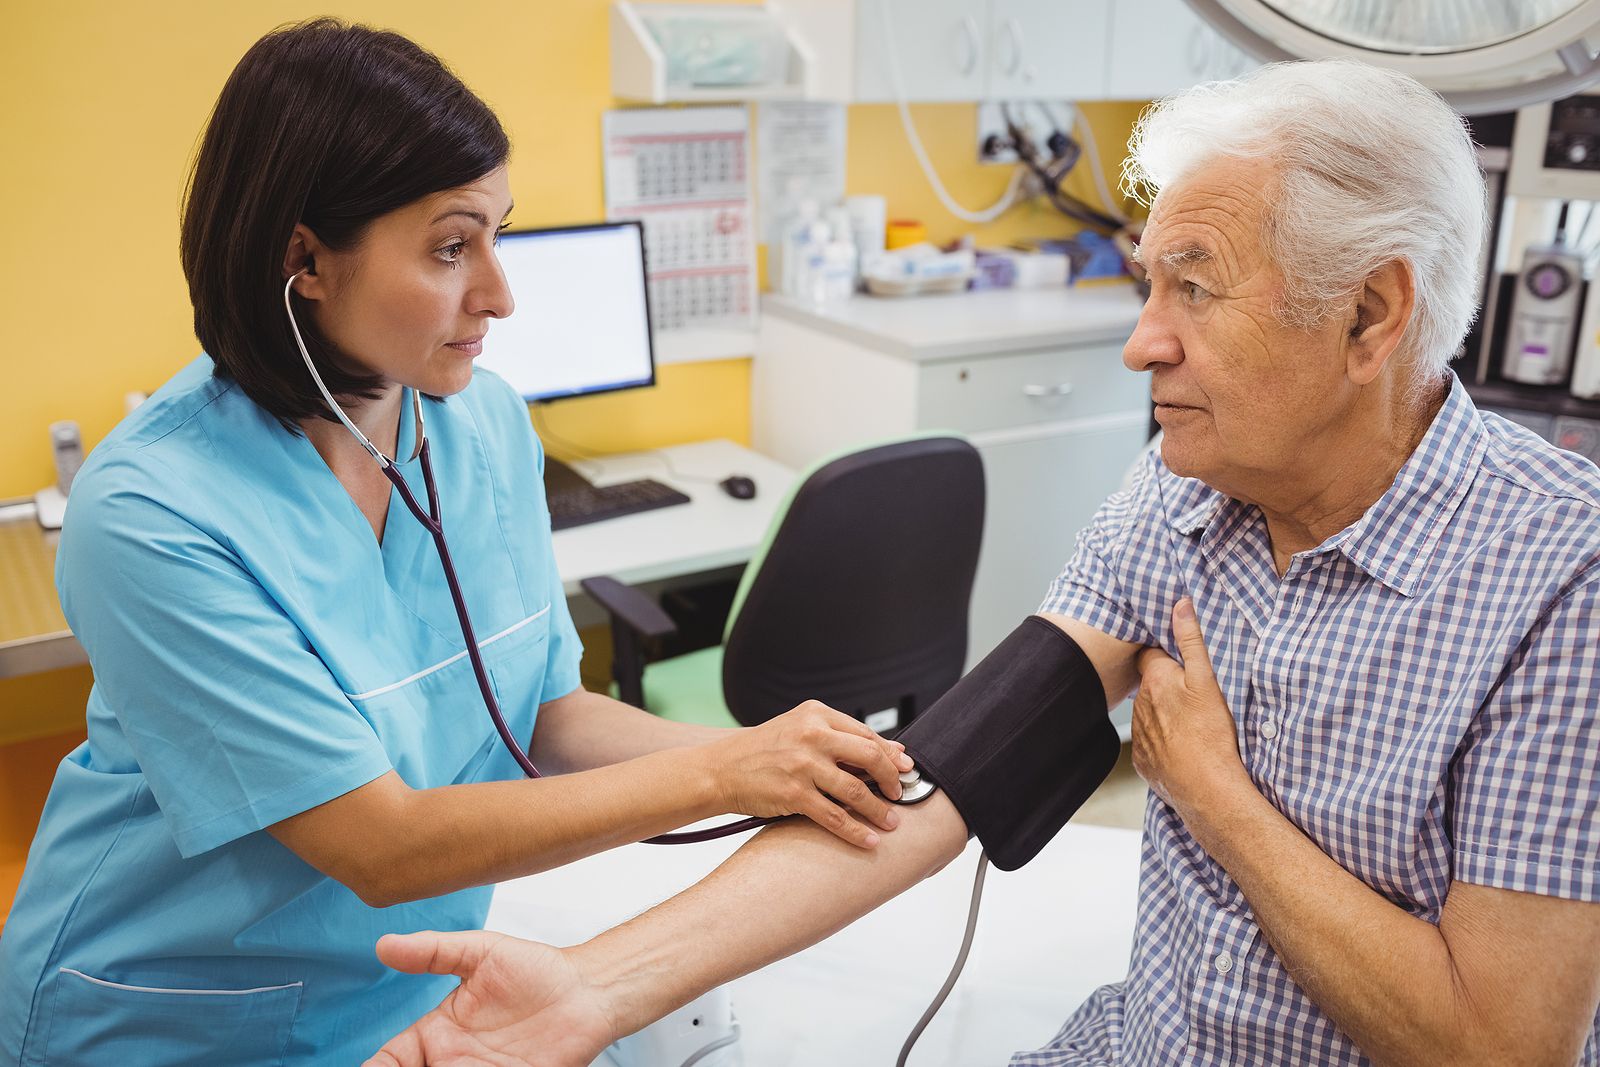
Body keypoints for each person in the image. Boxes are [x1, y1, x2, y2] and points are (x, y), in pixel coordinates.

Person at [368, 59, 1600, 1067]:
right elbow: (941, 784)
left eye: (1194, 288)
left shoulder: (1562, 580)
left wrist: (1219, 803)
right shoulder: (1186, 494)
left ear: (1369, 318)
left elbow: (1497, 1044)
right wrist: (595, 983)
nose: (1141, 343)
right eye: (1145, 282)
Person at [0, 19, 914, 1065]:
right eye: (450, 246)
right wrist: (730, 775)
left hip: (415, 988)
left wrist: (805, 763)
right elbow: (381, 844)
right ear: (304, 257)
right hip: (171, 1015)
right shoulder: (152, 512)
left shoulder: (481, 423)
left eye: (497, 233)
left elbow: (550, 714)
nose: (501, 292)